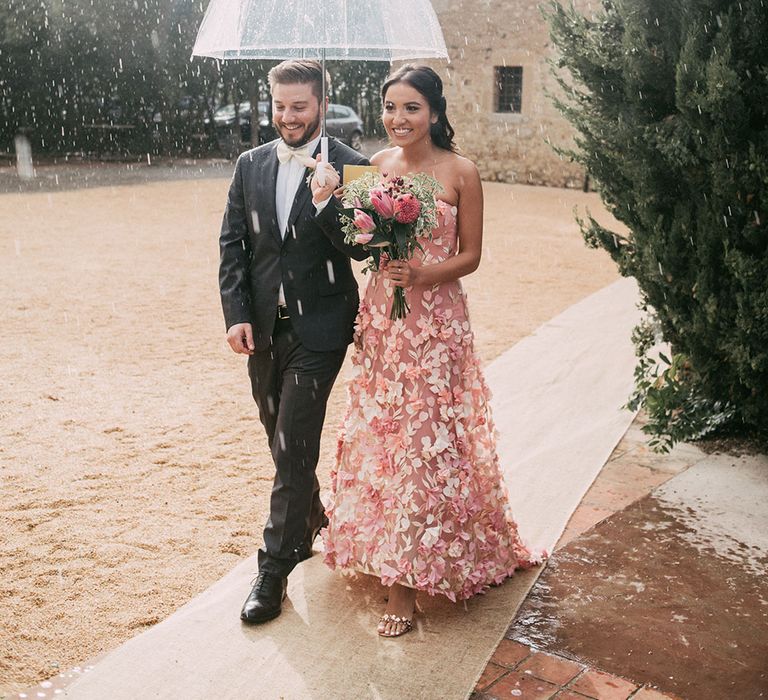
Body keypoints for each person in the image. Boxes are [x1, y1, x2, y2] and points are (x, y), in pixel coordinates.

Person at [322, 65, 541, 637]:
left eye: (411, 107)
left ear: (436, 113)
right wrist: (334, 203)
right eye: (390, 107)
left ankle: (407, 586)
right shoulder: (374, 167)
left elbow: (471, 255)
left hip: (436, 324)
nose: (398, 119)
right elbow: (357, 240)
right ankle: (379, 546)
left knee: (427, 441)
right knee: (382, 433)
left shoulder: (461, 172)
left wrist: (423, 273)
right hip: (382, 318)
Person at [218, 59, 369, 624]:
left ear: (322, 105)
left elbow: (362, 249)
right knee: (281, 438)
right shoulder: (249, 164)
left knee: (293, 441)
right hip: (263, 328)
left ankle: (274, 569)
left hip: (321, 330)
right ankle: (313, 522)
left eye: (299, 107)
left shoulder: (355, 166)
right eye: (280, 106)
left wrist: (330, 200)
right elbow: (233, 244)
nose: (287, 117)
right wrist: (237, 314)